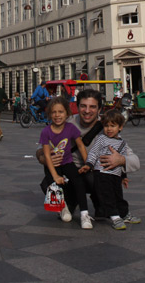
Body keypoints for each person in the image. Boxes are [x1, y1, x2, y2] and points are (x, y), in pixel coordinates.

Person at [36, 88, 140, 221]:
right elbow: (41, 148)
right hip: (68, 172)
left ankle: (105, 205)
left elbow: (135, 160)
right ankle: (70, 202)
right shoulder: (65, 122)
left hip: (92, 174)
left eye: (92, 107)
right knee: (48, 184)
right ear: (77, 106)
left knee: (96, 178)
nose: (87, 111)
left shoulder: (107, 127)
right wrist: (43, 157)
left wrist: (121, 160)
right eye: (83, 106)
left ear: (99, 109)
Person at [80, 109, 141, 230]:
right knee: (107, 196)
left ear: (120, 127)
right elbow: (93, 153)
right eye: (106, 126)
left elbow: (122, 160)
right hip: (101, 173)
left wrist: (124, 177)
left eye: (113, 126)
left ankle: (124, 214)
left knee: (118, 195)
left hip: (115, 174)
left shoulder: (122, 143)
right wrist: (89, 165)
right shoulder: (101, 139)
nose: (109, 129)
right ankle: (115, 217)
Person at [40, 96, 92, 230]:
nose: (57, 115)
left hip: (68, 162)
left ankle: (84, 214)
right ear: (50, 114)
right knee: (53, 184)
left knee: (78, 182)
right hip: (53, 165)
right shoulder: (46, 132)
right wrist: (55, 176)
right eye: (54, 112)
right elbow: (46, 155)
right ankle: (62, 207)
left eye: (61, 112)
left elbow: (81, 146)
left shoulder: (71, 128)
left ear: (67, 113)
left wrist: (88, 163)